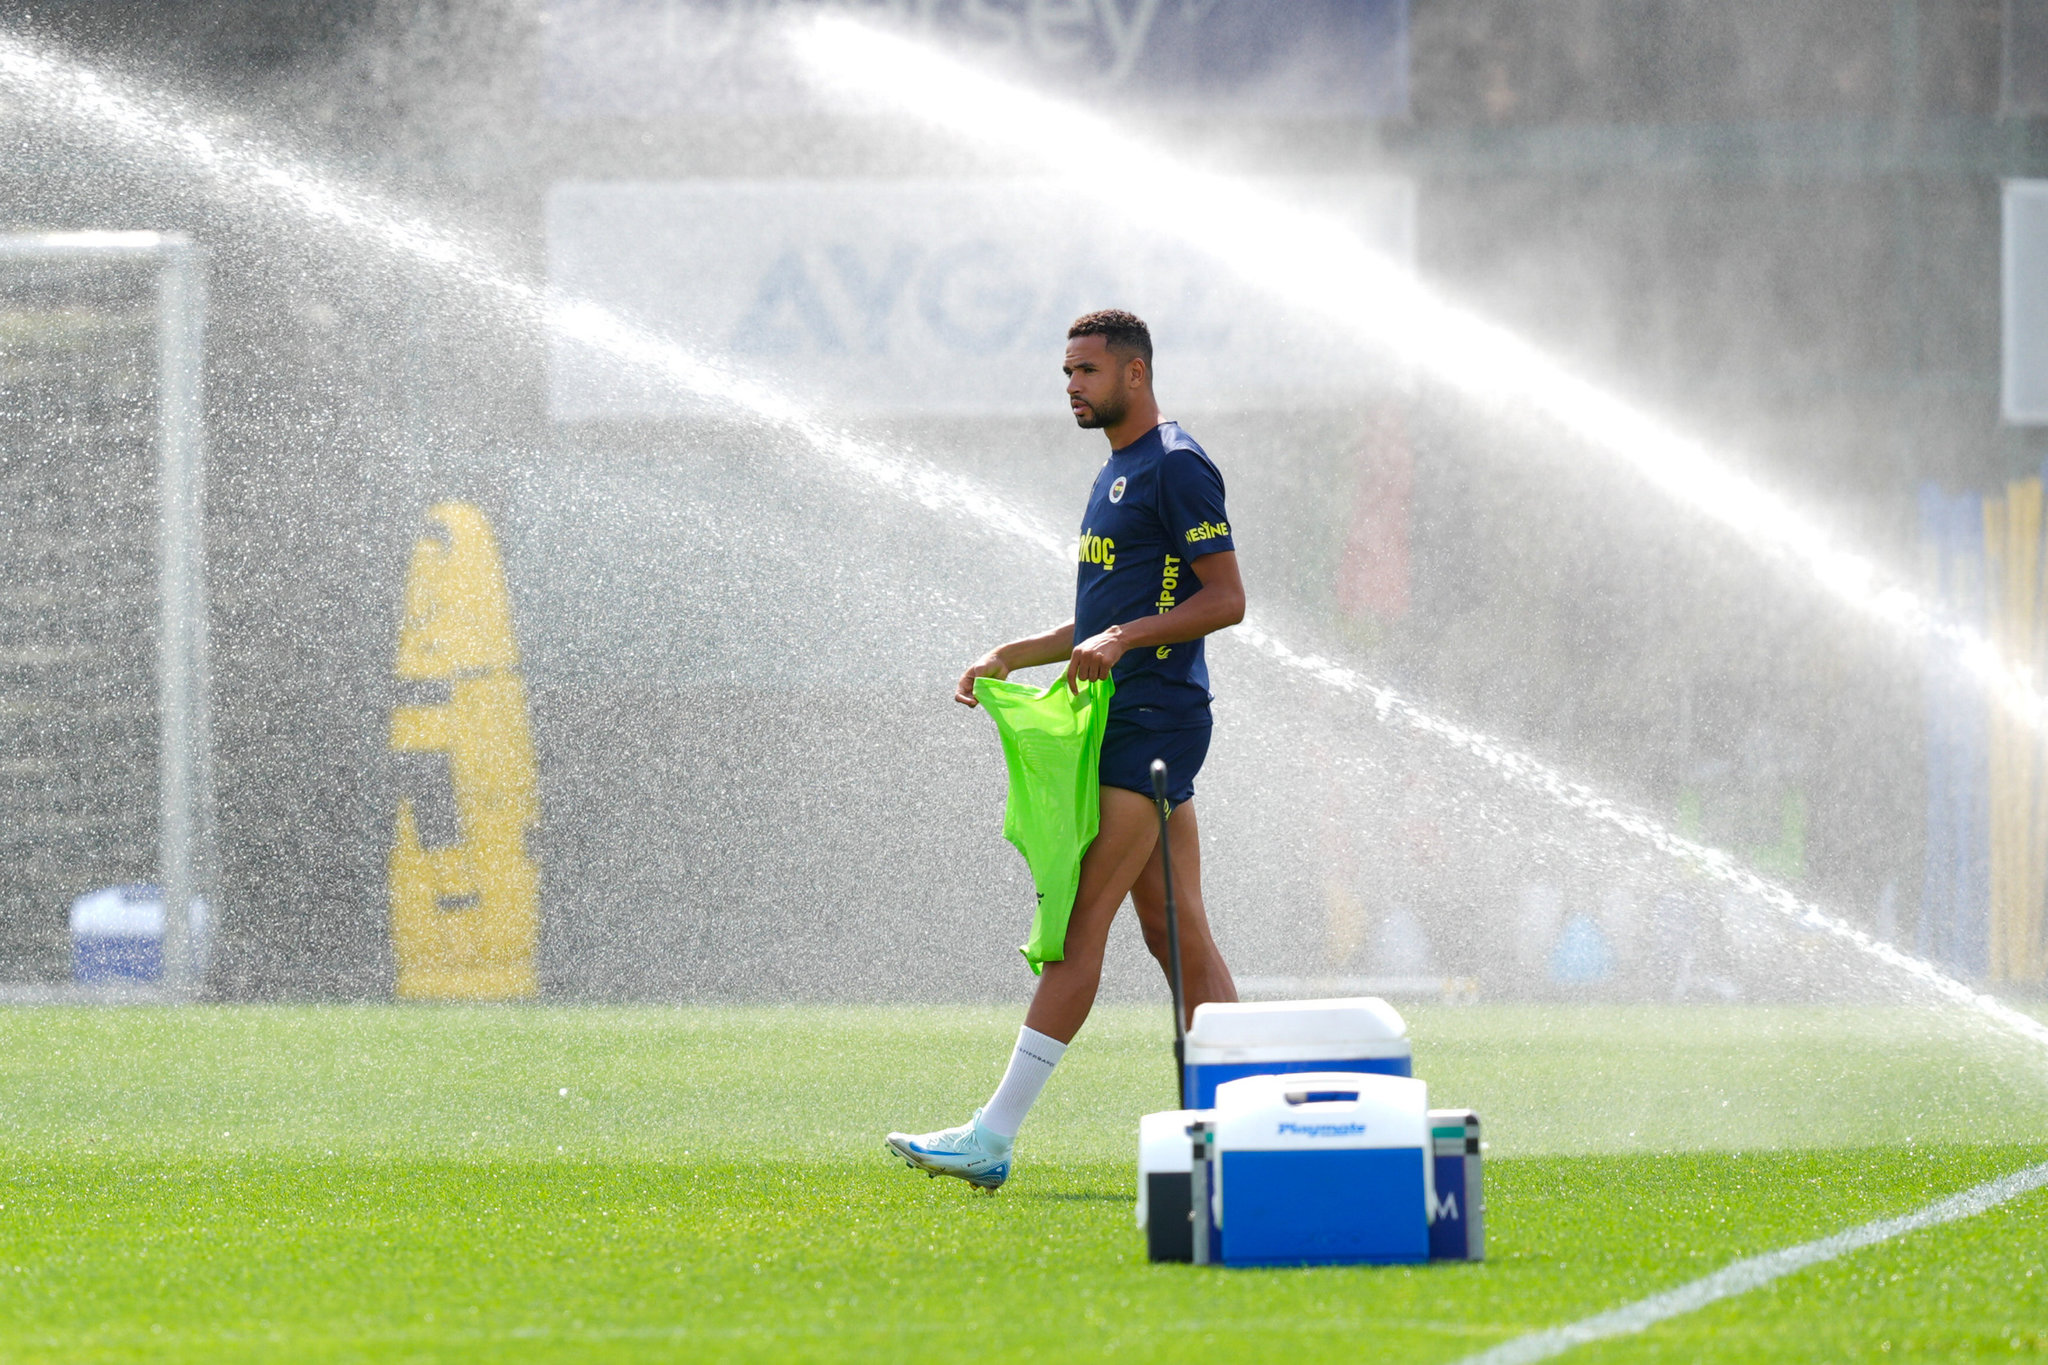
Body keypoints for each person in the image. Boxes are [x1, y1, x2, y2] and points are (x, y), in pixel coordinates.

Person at [885, 309, 1244, 1191]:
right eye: (1066, 374)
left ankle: (992, 1135)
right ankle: (1253, 1117)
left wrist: (1122, 641)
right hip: (1133, 711)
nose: (1072, 387)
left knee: (1077, 925)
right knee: (1177, 933)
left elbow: (1227, 599)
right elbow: (1097, 616)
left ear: (1133, 373)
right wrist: (1016, 652)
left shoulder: (1177, 464)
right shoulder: (1118, 472)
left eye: (1085, 371)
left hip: (1151, 717)